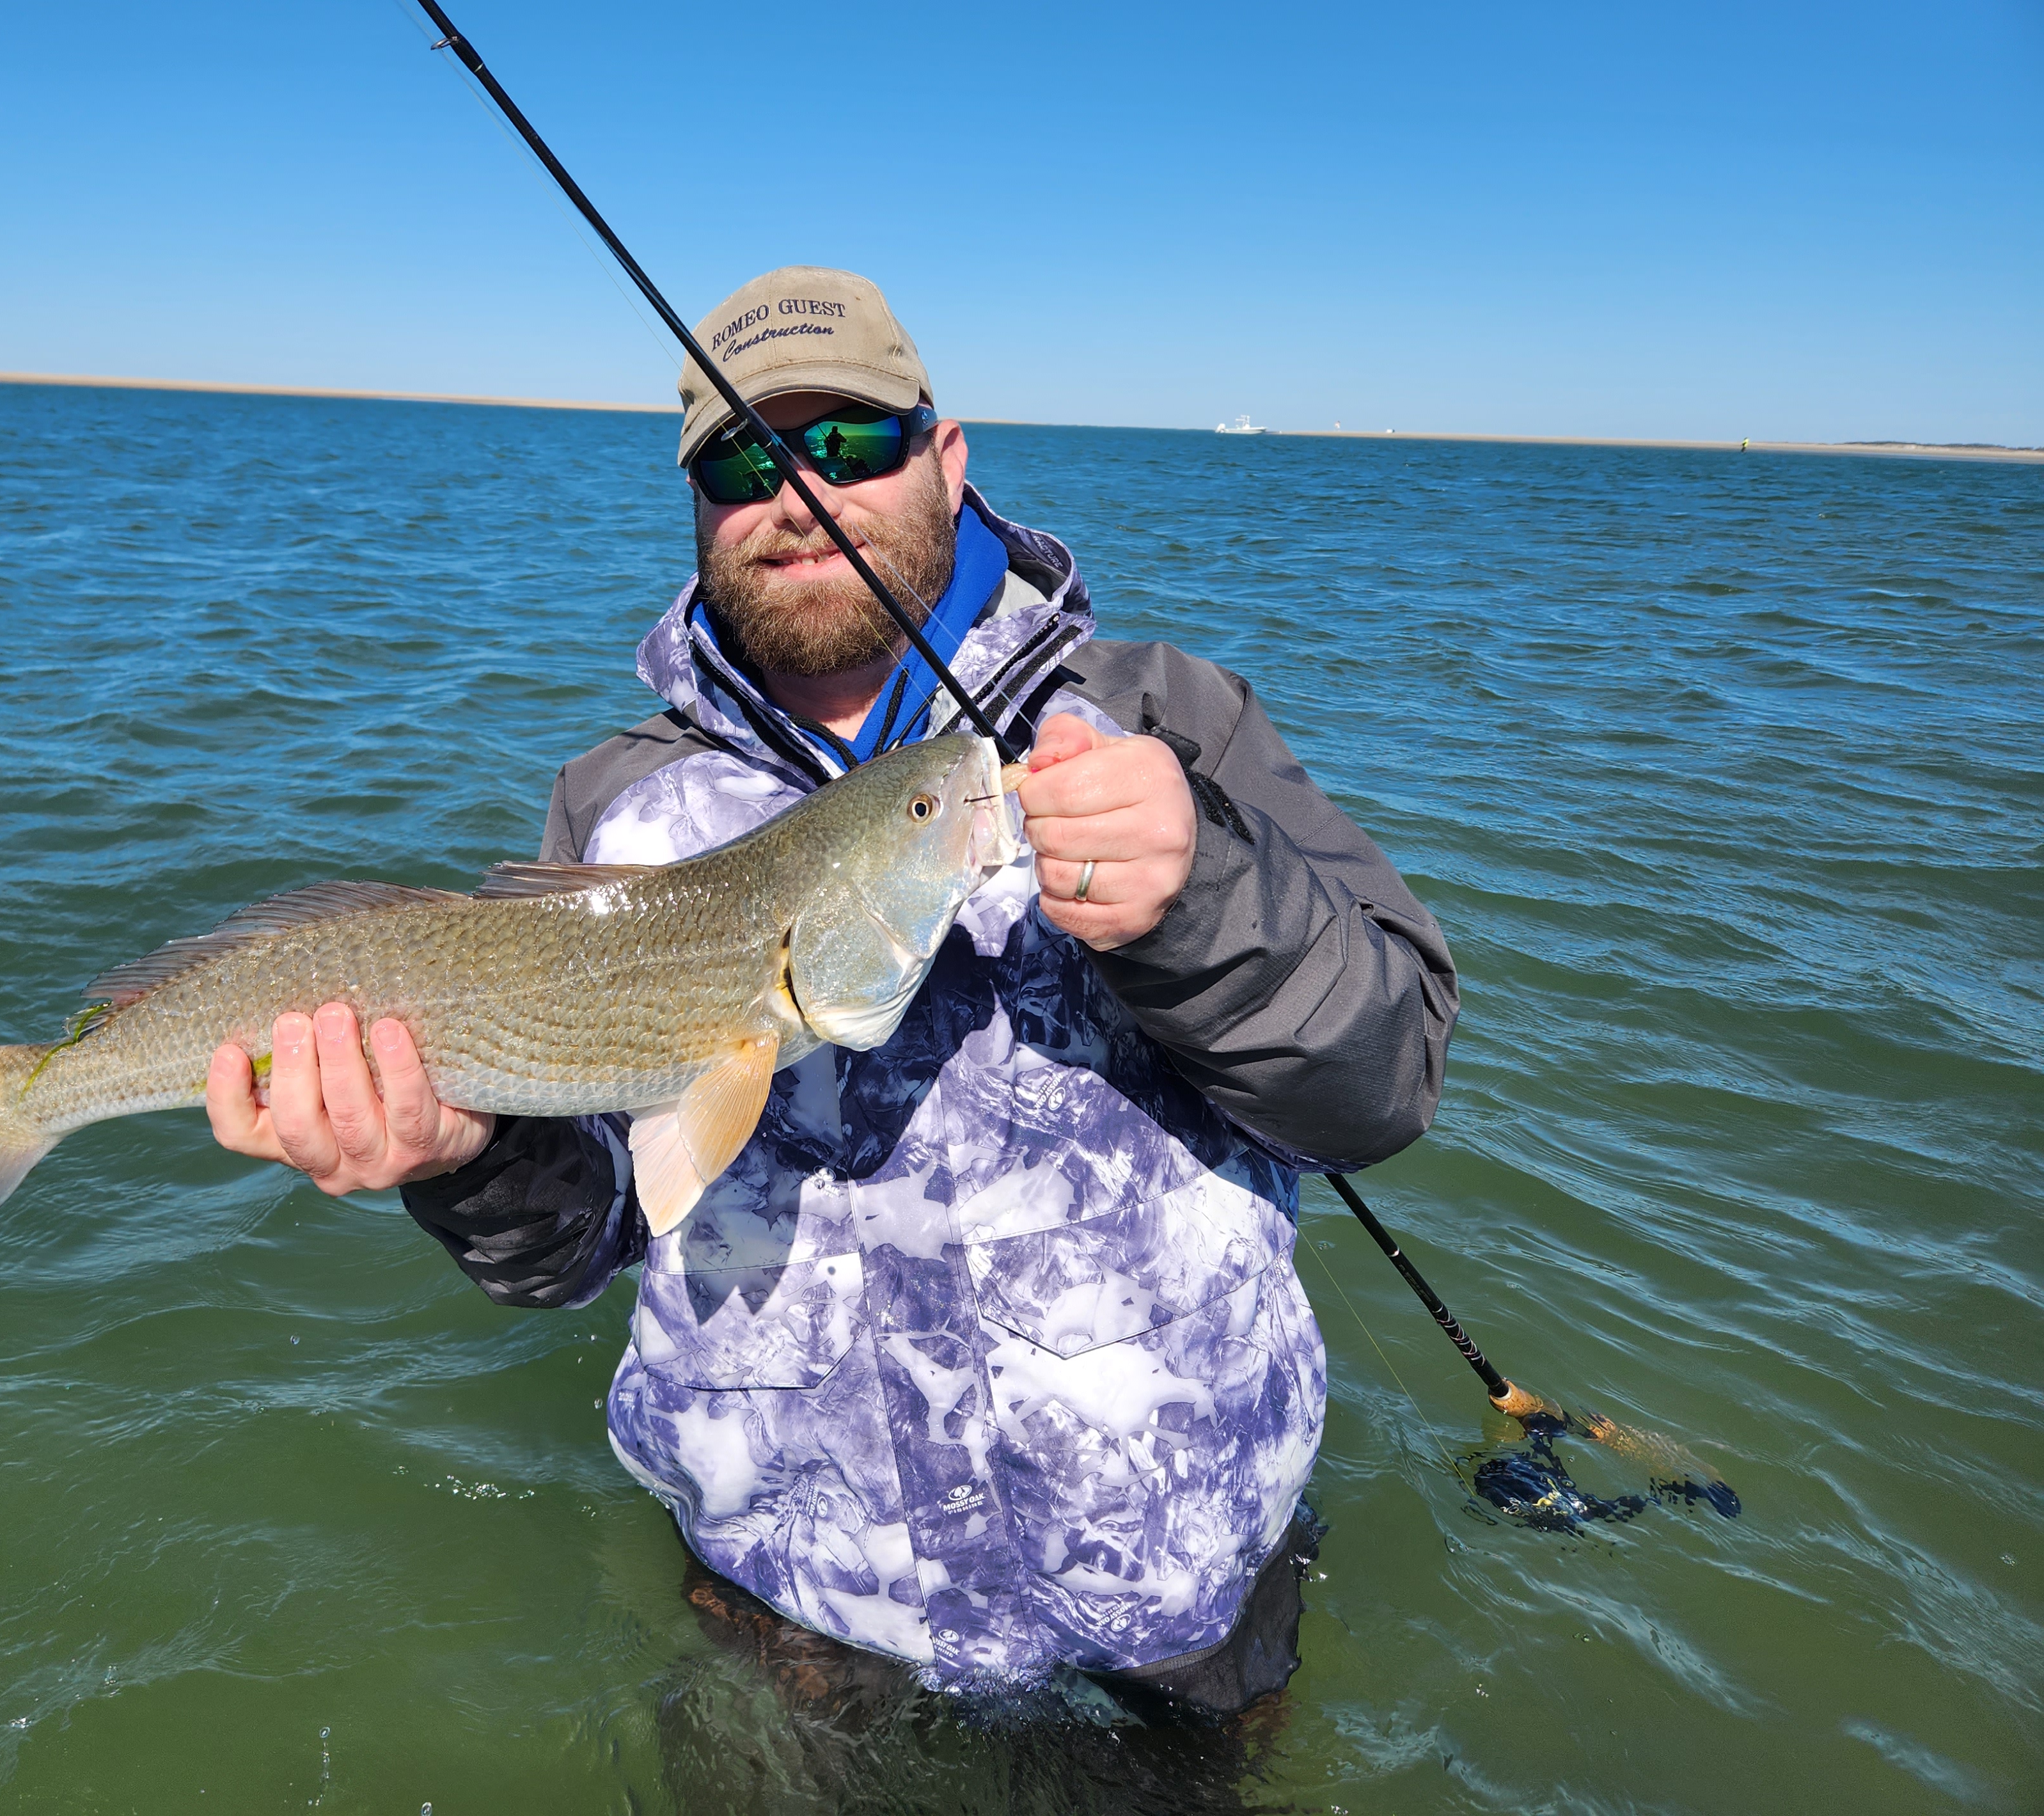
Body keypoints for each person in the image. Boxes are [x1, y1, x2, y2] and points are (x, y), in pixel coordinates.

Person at [203, 266, 1458, 1709]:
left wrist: (1204, 897)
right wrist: (459, 1159)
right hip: (786, 1614)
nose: (796, 495)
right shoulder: (611, 815)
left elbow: (1383, 1086)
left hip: (1169, 1601)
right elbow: (583, 1240)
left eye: (848, 443)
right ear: (694, 504)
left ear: (946, 457)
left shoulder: (1163, 717)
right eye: (741, 459)